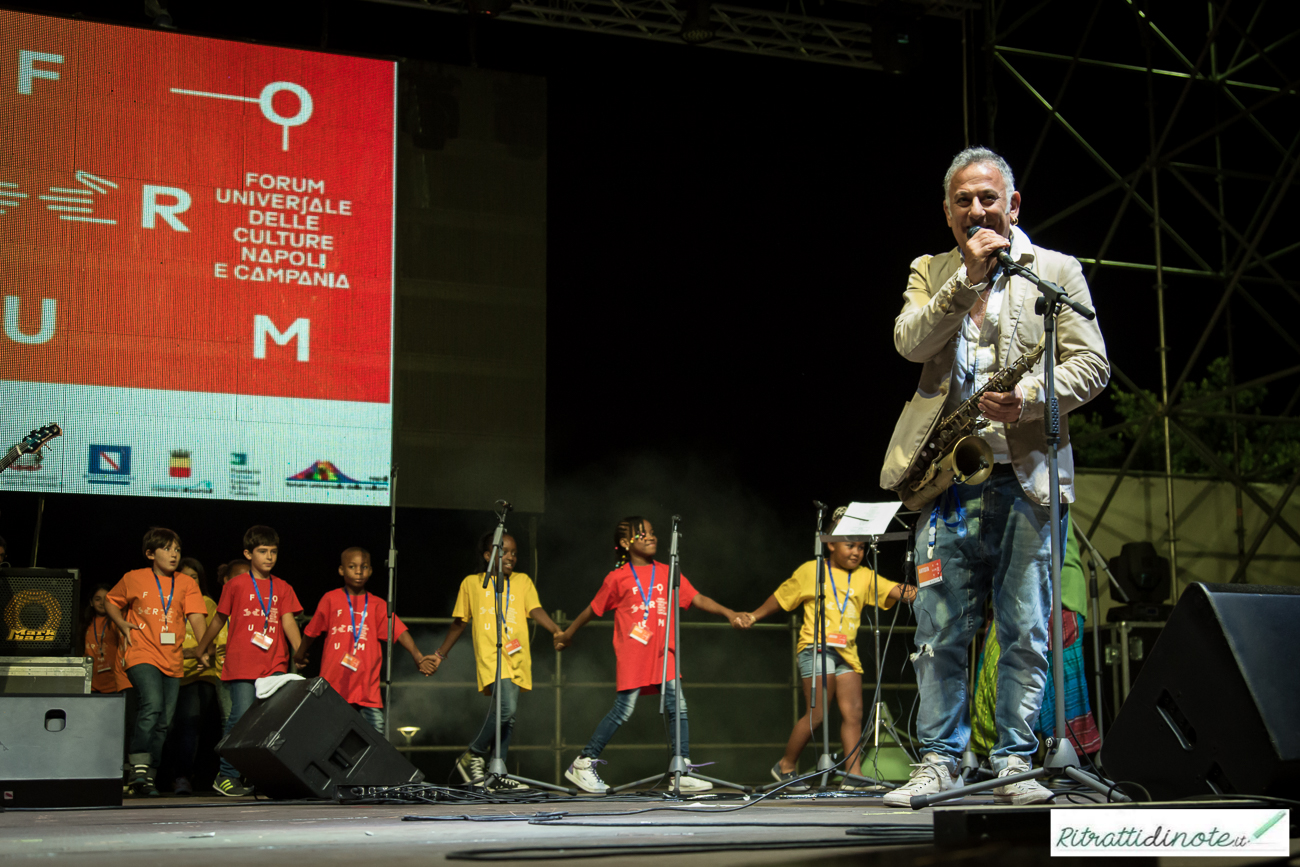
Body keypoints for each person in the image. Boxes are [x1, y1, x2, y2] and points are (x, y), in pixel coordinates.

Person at [879, 146, 1109, 807]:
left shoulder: (1056, 271)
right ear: (948, 212)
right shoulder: (932, 269)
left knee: (1024, 628)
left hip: (1026, 477)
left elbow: (1093, 365)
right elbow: (910, 342)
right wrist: (965, 282)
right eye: (963, 200)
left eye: (988, 197)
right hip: (947, 484)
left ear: (1013, 204)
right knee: (939, 629)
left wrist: (1032, 399)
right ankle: (941, 761)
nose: (976, 209)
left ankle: (1015, 759)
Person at [553, 517, 748, 794]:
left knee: (678, 705)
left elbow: (696, 598)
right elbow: (592, 609)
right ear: (624, 543)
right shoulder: (617, 577)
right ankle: (583, 762)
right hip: (634, 653)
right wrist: (568, 633)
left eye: (652, 533)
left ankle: (680, 767)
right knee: (624, 710)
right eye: (641, 534)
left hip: (663, 652)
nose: (650, 537)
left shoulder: (668, 571)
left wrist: (730, 613)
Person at [741, 518, 916, 789]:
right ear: (830, 544)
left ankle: (853, 775)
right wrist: (754, 615)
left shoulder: (865, 576)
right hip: (816, 647)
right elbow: (782, 597)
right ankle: (785, 765)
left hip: (847, 654)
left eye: (861, 547)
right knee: (818, 712)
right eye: (850, 545)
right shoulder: (812, 570)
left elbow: (894, 590)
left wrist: (923, 588)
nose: (857, 552)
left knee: (854, 713)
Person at [428, 532, 563, 789]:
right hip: (492, 655)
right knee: (506, 708)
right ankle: (473, 754)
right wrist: (439, 654)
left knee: (509, 717)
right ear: (489, 555)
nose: (511, 556)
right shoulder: (471, 583)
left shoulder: (522, 581)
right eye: (505, 551)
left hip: (517, 656)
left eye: (514, 552)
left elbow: (535, 609)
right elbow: (460, 622)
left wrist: (555, 629)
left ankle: (496, 772)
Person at [194, 525, 304, 797]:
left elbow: (288, 620)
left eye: (273, 552)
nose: (269, 557)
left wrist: (300, 651)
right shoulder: (236, 584)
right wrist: (202, 646)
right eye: (262, 551)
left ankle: (264, 775)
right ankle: (226, 775)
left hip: (275, 664)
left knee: (272, 721)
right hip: (242, 663)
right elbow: (219, 618)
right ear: (248, 553)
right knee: (239, 719)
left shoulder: (283, 587)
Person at [105, 528, 209, 796]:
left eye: (177, 549)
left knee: (165, 720)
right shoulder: (134, 578)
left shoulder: (186, 583)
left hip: (171, 657)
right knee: (151, 704)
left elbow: (197, 617)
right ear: (151, 554)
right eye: (167, 549)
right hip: (141, 652)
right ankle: (138, 763)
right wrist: (121, 623)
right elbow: (111, 601)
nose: (174, 554)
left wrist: (203, 649)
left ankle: (147, 776)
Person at [295, 547, 436, 734]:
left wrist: (417, 656)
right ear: (341, 570)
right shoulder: (331, 599)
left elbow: (399, 631)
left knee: (374, 740)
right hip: (334, 685)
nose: (359, 571)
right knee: (331, 737)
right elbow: (311, 632)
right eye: (352, 566)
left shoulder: (377, 604)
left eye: (364, 567)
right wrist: (299, 653)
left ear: (370, 571)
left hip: (367, 690)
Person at [166, 557, 227, 796]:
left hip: (201, 675)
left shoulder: (208, 604)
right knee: (169, 728)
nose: (189, 581)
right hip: (171, 672)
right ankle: (169, 776)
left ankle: (184, 777)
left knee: (192, 728)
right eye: (184, 577)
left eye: (194, 577)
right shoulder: (167, 603)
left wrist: (192, 652)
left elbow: (213, 643)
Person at [83, 585, 123, 695]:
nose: (102, 602)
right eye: (97, 599)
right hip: (91, 682)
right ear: (91, 602)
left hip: (114, 682)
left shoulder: (118, 621)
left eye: (106, 599)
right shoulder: (84, 625)